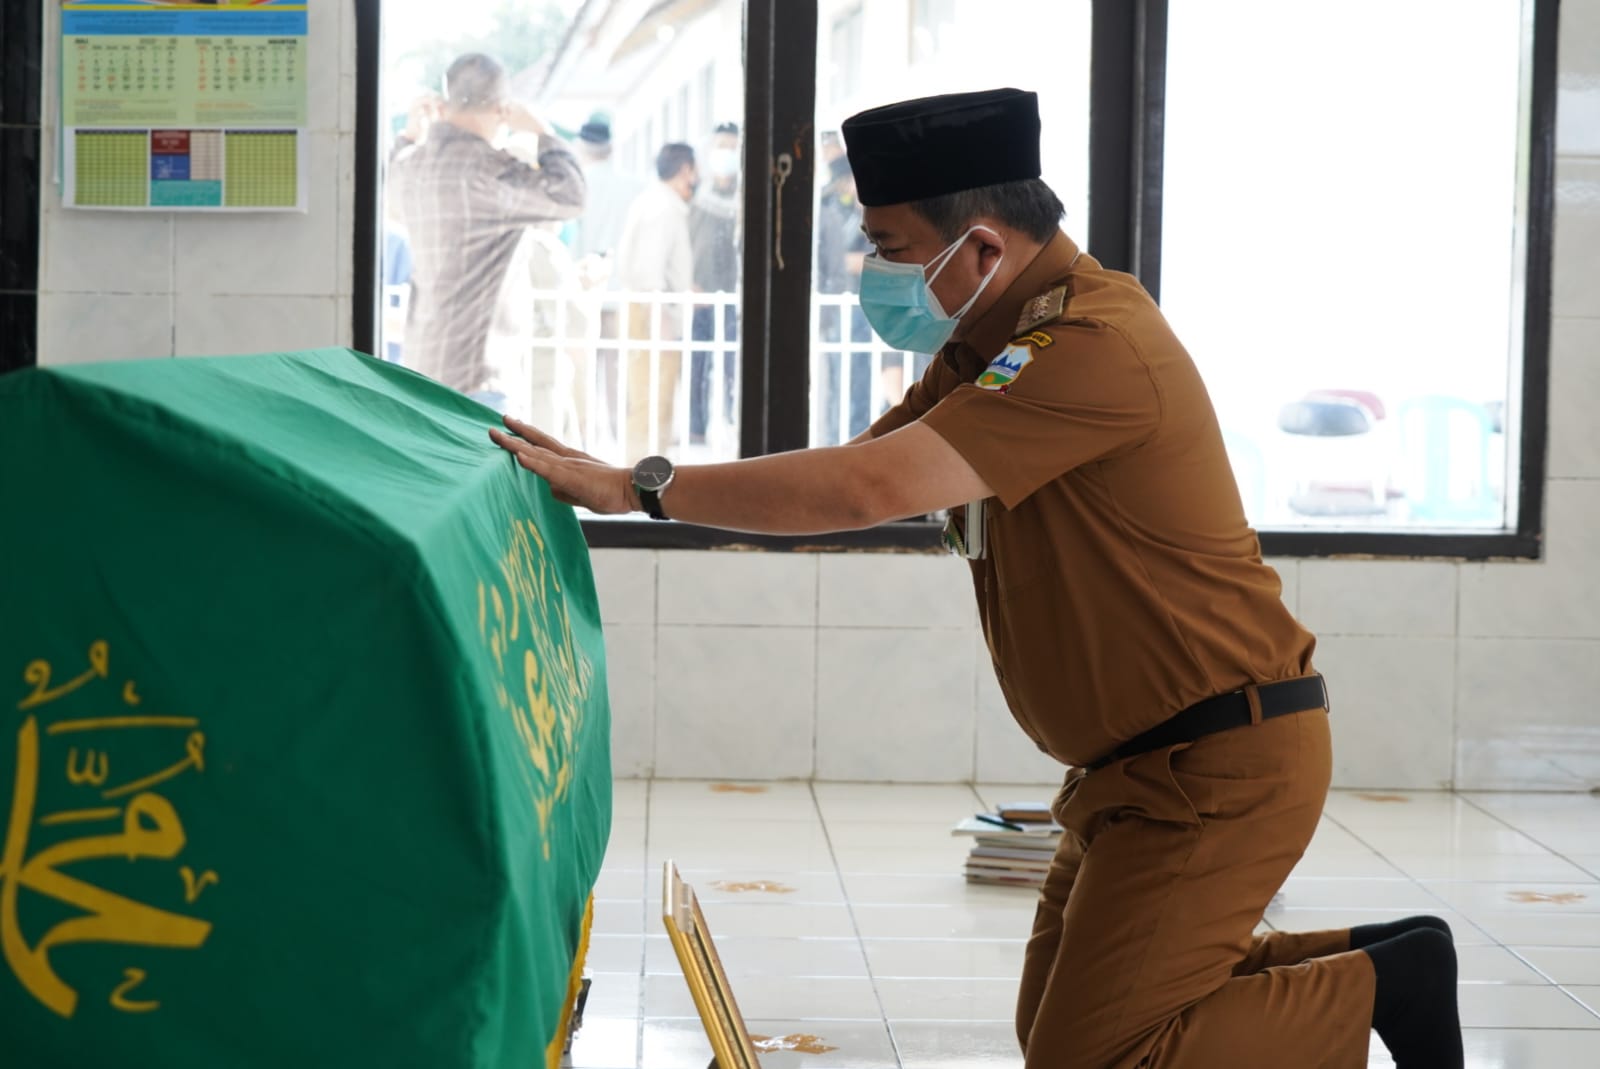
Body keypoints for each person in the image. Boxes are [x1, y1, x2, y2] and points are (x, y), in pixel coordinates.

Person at [488, 88, 1461, 1069]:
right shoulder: (991, 341)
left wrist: (636, 485)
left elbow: (869, 484)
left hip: (1217, 764)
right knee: (1057, 1033)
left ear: (984, 247)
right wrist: (646, 482)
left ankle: (1379, 988)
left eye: (895, 248)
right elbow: (870, 469)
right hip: (1130, 766)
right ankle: (1380, 961)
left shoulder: (1088, 346)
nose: (879, 273)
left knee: (1098, 1056)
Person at [386, 53, 586, 411]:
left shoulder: (411, 168)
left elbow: (389, 195)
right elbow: (571, 196)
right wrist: (544, 133)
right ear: (500, 109)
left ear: (444, 106)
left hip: (420, 370)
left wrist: (408, 136)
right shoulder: (494, 172)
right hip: (478, 378)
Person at [614, 142, 697, 460]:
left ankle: (647, 473)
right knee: (651, 400)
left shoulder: (657, 204)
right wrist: (660, 319)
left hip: (652, 310)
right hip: (653, 313)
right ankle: (643, 477)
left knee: (654, 399)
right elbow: (650, 271)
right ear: (686, 170)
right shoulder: (662, 208)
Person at [688, 121, 742, 446]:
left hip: (737, 297)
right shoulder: (697, 198)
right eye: (721, 147)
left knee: (734, 366)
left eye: (732, 148)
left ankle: (736, 425)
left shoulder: (746, 196)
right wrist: (690, 282)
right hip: (699, 295)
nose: (726, 154)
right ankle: (697, 430)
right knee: (698, 365)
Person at [815, 152, 873, 445]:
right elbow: (834, 260)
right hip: (841, 302)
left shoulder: (867, 213)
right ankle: (840, 436)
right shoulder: (831, 209)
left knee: (859, 375)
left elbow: (870, 258)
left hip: (862, 303)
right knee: (840, 375)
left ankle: (855, 434)